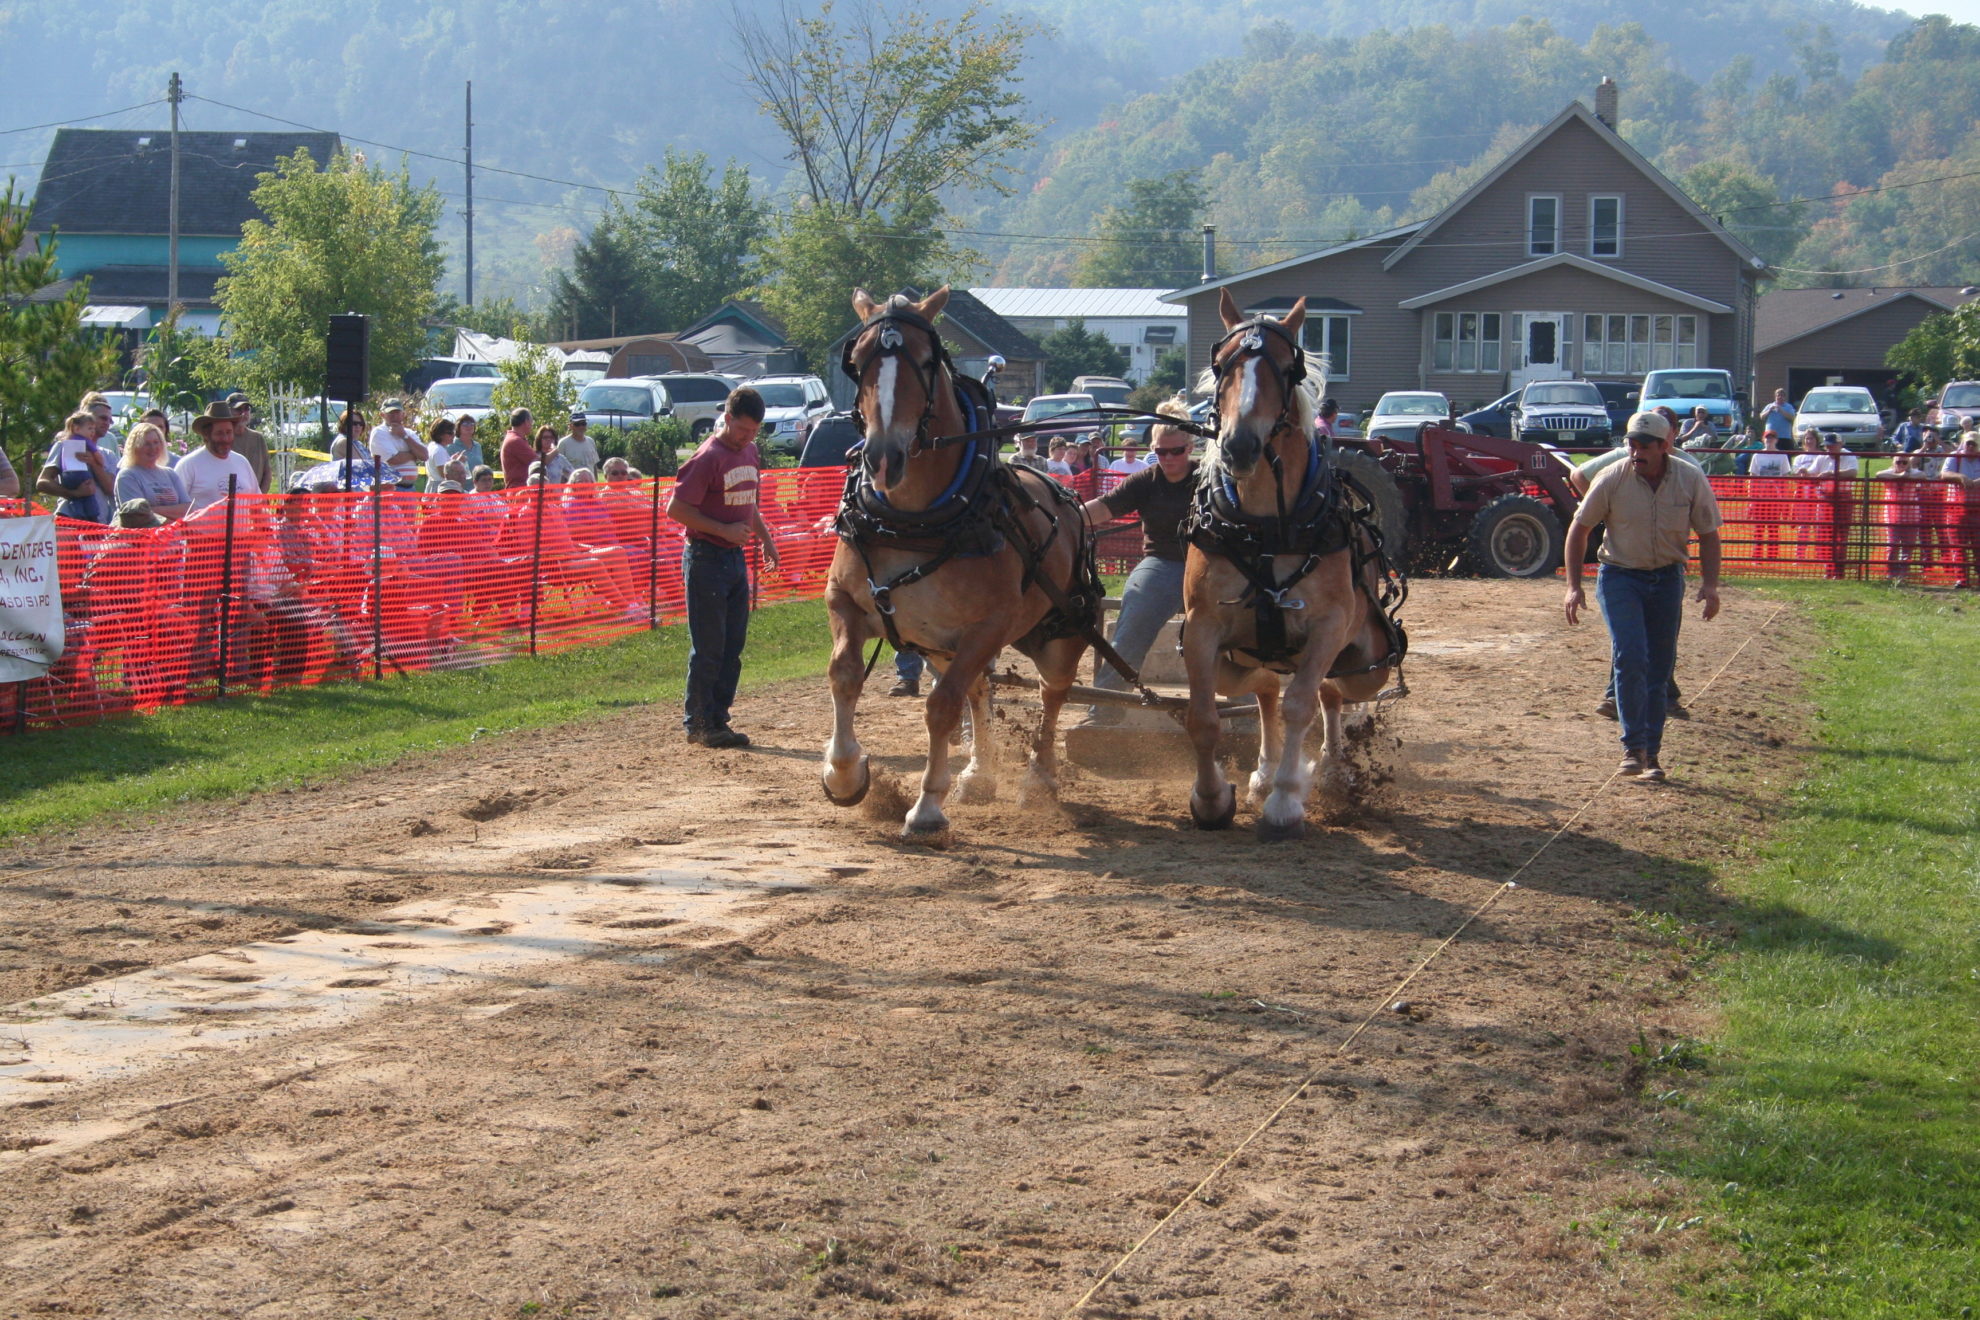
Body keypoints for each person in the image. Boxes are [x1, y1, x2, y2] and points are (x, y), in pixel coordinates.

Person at [1563, 411, 1723, 783]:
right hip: (1621, 576)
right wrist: (1573, 585)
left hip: (1667, 577)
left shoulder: (1689, 477)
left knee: (1659, 666)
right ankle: (1632, 748)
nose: (1636, 452)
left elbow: (1709, 534)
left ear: (1665, 446)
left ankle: (1652, 753)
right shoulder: (1611, 477)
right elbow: (1579, 529)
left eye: (1644, 446)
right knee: (1631, 654)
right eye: (1632, 445)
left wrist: (1711, 584)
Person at [666, 386, 778, 747]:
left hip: (733, 559)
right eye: (743, 429)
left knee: (732, 646)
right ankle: (698, 723)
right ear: (727, 418)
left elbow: (748, 503)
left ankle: (718, 719)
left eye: (754, 431)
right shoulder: (707, 457)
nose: (748, 437)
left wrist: (766, 539)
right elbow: (676, 509)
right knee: (709, 647)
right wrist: (723, 530)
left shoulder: (750, 451)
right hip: (705, 557)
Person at [1077, 400, 1197, 724]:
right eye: (1161, 451)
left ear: (1190, 447)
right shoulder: (1146, 480)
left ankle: (1247, 717)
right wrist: (1059, 517)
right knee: (1131, 624)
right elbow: (1103, 508)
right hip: (1162, 562)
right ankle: (1104, 711)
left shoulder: (1208, 478)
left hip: (1212, 566)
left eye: (1176, 451)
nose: (1168, 458)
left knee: (1239, 626)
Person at [174, 401, 262, 514]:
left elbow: (257, 505)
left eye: (229, 432)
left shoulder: (242, 462)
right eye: (219, 433)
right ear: (206, 435)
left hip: (241, 527)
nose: (225, 438)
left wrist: (270, 523)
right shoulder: (189, 465)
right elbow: (175, 508)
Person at [1793, 429, 1860, 578]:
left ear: (1840, 444)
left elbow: (1853, 473)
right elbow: (1812, 472)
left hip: (1843, 498)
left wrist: (1832, 474)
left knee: (1841, 535)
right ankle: (1829, 569)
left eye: (1832, 446)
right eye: (1828, 446)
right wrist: (1805, 471)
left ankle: (1838, 570)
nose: (1829, 449)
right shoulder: (1822, 458)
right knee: (1824, 534)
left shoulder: (1848, 456)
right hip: (1825, 498)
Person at [39, 410, 118, 523]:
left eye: (109, 420)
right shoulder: (64, 445)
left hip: (100, 521)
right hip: (69, 517)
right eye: (102, 418)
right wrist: (74, 493)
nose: (107, 423)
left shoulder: (108, 454)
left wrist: (94, 463)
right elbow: (42, 482)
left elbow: (111, 489)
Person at [114, 422, 192, 522]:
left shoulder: (170, 474)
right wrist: (174, 520)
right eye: (146, 444)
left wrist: (150, 510)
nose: (153, 448)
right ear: (135, 447)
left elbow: (188, 510)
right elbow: (136, 515)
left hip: (174, 531)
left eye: (156, 442)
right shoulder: (127, 476)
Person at [1872, 450, 1928, 579]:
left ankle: (1903, 572)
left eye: (1904, 462)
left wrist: (1905, 475)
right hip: (1892, 516)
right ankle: (1891, 571)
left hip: (1911, 516)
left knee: (1908, 546)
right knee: (1892, 545)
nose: (1901, 464)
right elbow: (1878, 474)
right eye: (1898, 462)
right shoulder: (1889, 472)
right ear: (1893, 462)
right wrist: (1900, 476)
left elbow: (1922, 475)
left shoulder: (1914, 472)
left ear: (1909, 463)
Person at [1941, 434, 1980, 588]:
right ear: (1963, 444)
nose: (1970, 447)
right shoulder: (1954, 457)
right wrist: (1961, 477)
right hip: (1956, 509)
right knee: (1958, 545)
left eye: (1973, 444)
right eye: (1968, 443)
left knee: (1978, 546)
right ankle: (1962, 580)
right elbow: (1944, 474)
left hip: (1977, 509)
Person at [368, 399, 428, 490]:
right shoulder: (379, 432)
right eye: (391, 413)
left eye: (397, 413)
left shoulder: (409, 433)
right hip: (390, 488)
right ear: (382, 415)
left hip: (410, 488)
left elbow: (424, 455)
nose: (394, 416)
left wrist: (404, 436)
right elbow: (393, 459)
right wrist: (414, 455)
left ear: (403, 414)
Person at [225, 392, 273, 492]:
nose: (243, 413)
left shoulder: (258, 438)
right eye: (238, 409)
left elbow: (267, 473)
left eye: (246, 409)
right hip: (229, 497)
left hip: (255, 497)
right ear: (228, 411)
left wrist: (260, 496)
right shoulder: (223, 439)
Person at [556, 409, 600, 475]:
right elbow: (559, 467)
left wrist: (595, 481)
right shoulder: (563, 443)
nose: (581, 427)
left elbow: (594, 466)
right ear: (570, 426)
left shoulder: (591, 441)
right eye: (577, 424)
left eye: (583, 424)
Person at [500, 408, 535, 489]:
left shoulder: (515, 438)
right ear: (526, 421)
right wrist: (556, 451)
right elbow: (538, 461)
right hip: (519, 491)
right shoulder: (516, 441)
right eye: (531, 421)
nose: (532, 424)